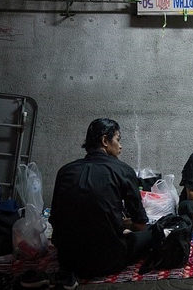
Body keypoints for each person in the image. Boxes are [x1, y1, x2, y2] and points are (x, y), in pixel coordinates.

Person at [49, 118, 150, 279]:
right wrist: (127, 224)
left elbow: (54, 218)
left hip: (68, 261)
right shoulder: (123, 170)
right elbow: (140, 224)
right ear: (105, 140)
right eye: (118, 139)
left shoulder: (65, 171)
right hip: (108, 261)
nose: (120, 146)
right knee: (151, 233)